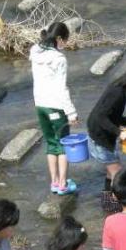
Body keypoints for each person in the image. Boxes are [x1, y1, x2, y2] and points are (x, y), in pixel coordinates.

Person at [87, 65, 126, 213]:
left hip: (99, 134)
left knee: (111, 171)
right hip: (99, 136)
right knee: (117, 173)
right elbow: (101, 116)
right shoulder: (118, 93)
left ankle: (108, 206)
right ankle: (118, 208)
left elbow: (111, 115)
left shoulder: (117, 88)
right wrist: (119, 132)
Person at [30, 22, 79, 195]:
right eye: (65, 40)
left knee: (51, 144)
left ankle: (54, 183)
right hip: (56, 107)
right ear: (59, 39)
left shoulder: (35, 51)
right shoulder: (59, 59)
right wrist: (71, 112)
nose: (66, 44)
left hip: (40, 105)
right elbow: (61, 88)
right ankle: (63, 184)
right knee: (63, 145)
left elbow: (41, 35)